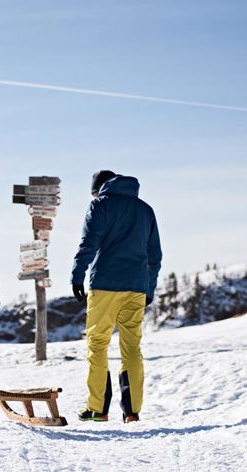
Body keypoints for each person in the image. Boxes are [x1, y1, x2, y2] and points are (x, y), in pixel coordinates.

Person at [71, 169, 162, 423]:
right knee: (132, 346)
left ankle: (97, 409)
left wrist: (77, 274)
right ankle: (132, 411)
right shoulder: (146, 210)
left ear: (100, 188)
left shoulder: (100, 205)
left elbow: (88, 243)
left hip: (105, 285)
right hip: (136, 286)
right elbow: (155, 256)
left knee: (97, 343)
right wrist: (149, 288)